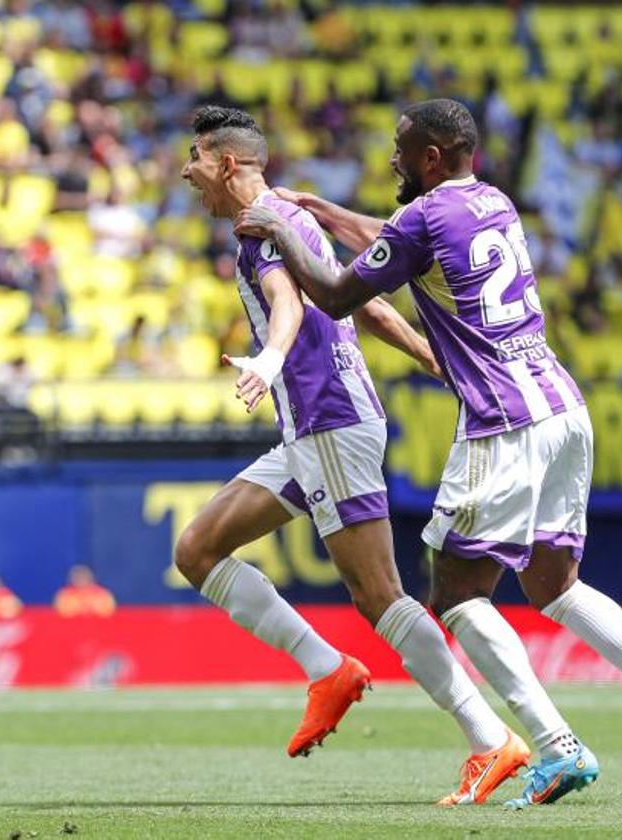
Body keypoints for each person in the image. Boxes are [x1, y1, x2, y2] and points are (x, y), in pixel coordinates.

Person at [235, 98, 622, 808]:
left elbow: (340, 295)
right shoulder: (490, 202)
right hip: (562, 405)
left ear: (432, 156)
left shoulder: (422, 217)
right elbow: (394, 241)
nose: (394, 158)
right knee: (556, 586)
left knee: (458, 595)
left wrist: (283, 221)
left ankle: (557, 748)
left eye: (403, 149)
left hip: (503, 419)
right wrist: (323, 211)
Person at [179, 106, 530, 806]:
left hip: (329, 421)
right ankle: (327, 669)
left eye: (196, 158)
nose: (188, 173)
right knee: (198, 549)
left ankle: (491, 739)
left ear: (227, 163)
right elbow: (357, 303)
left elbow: (286, 304)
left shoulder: (263, 227)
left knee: (380, 597)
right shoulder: (291, 219)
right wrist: (432, 356)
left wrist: (270, 361)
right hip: (310, 428)